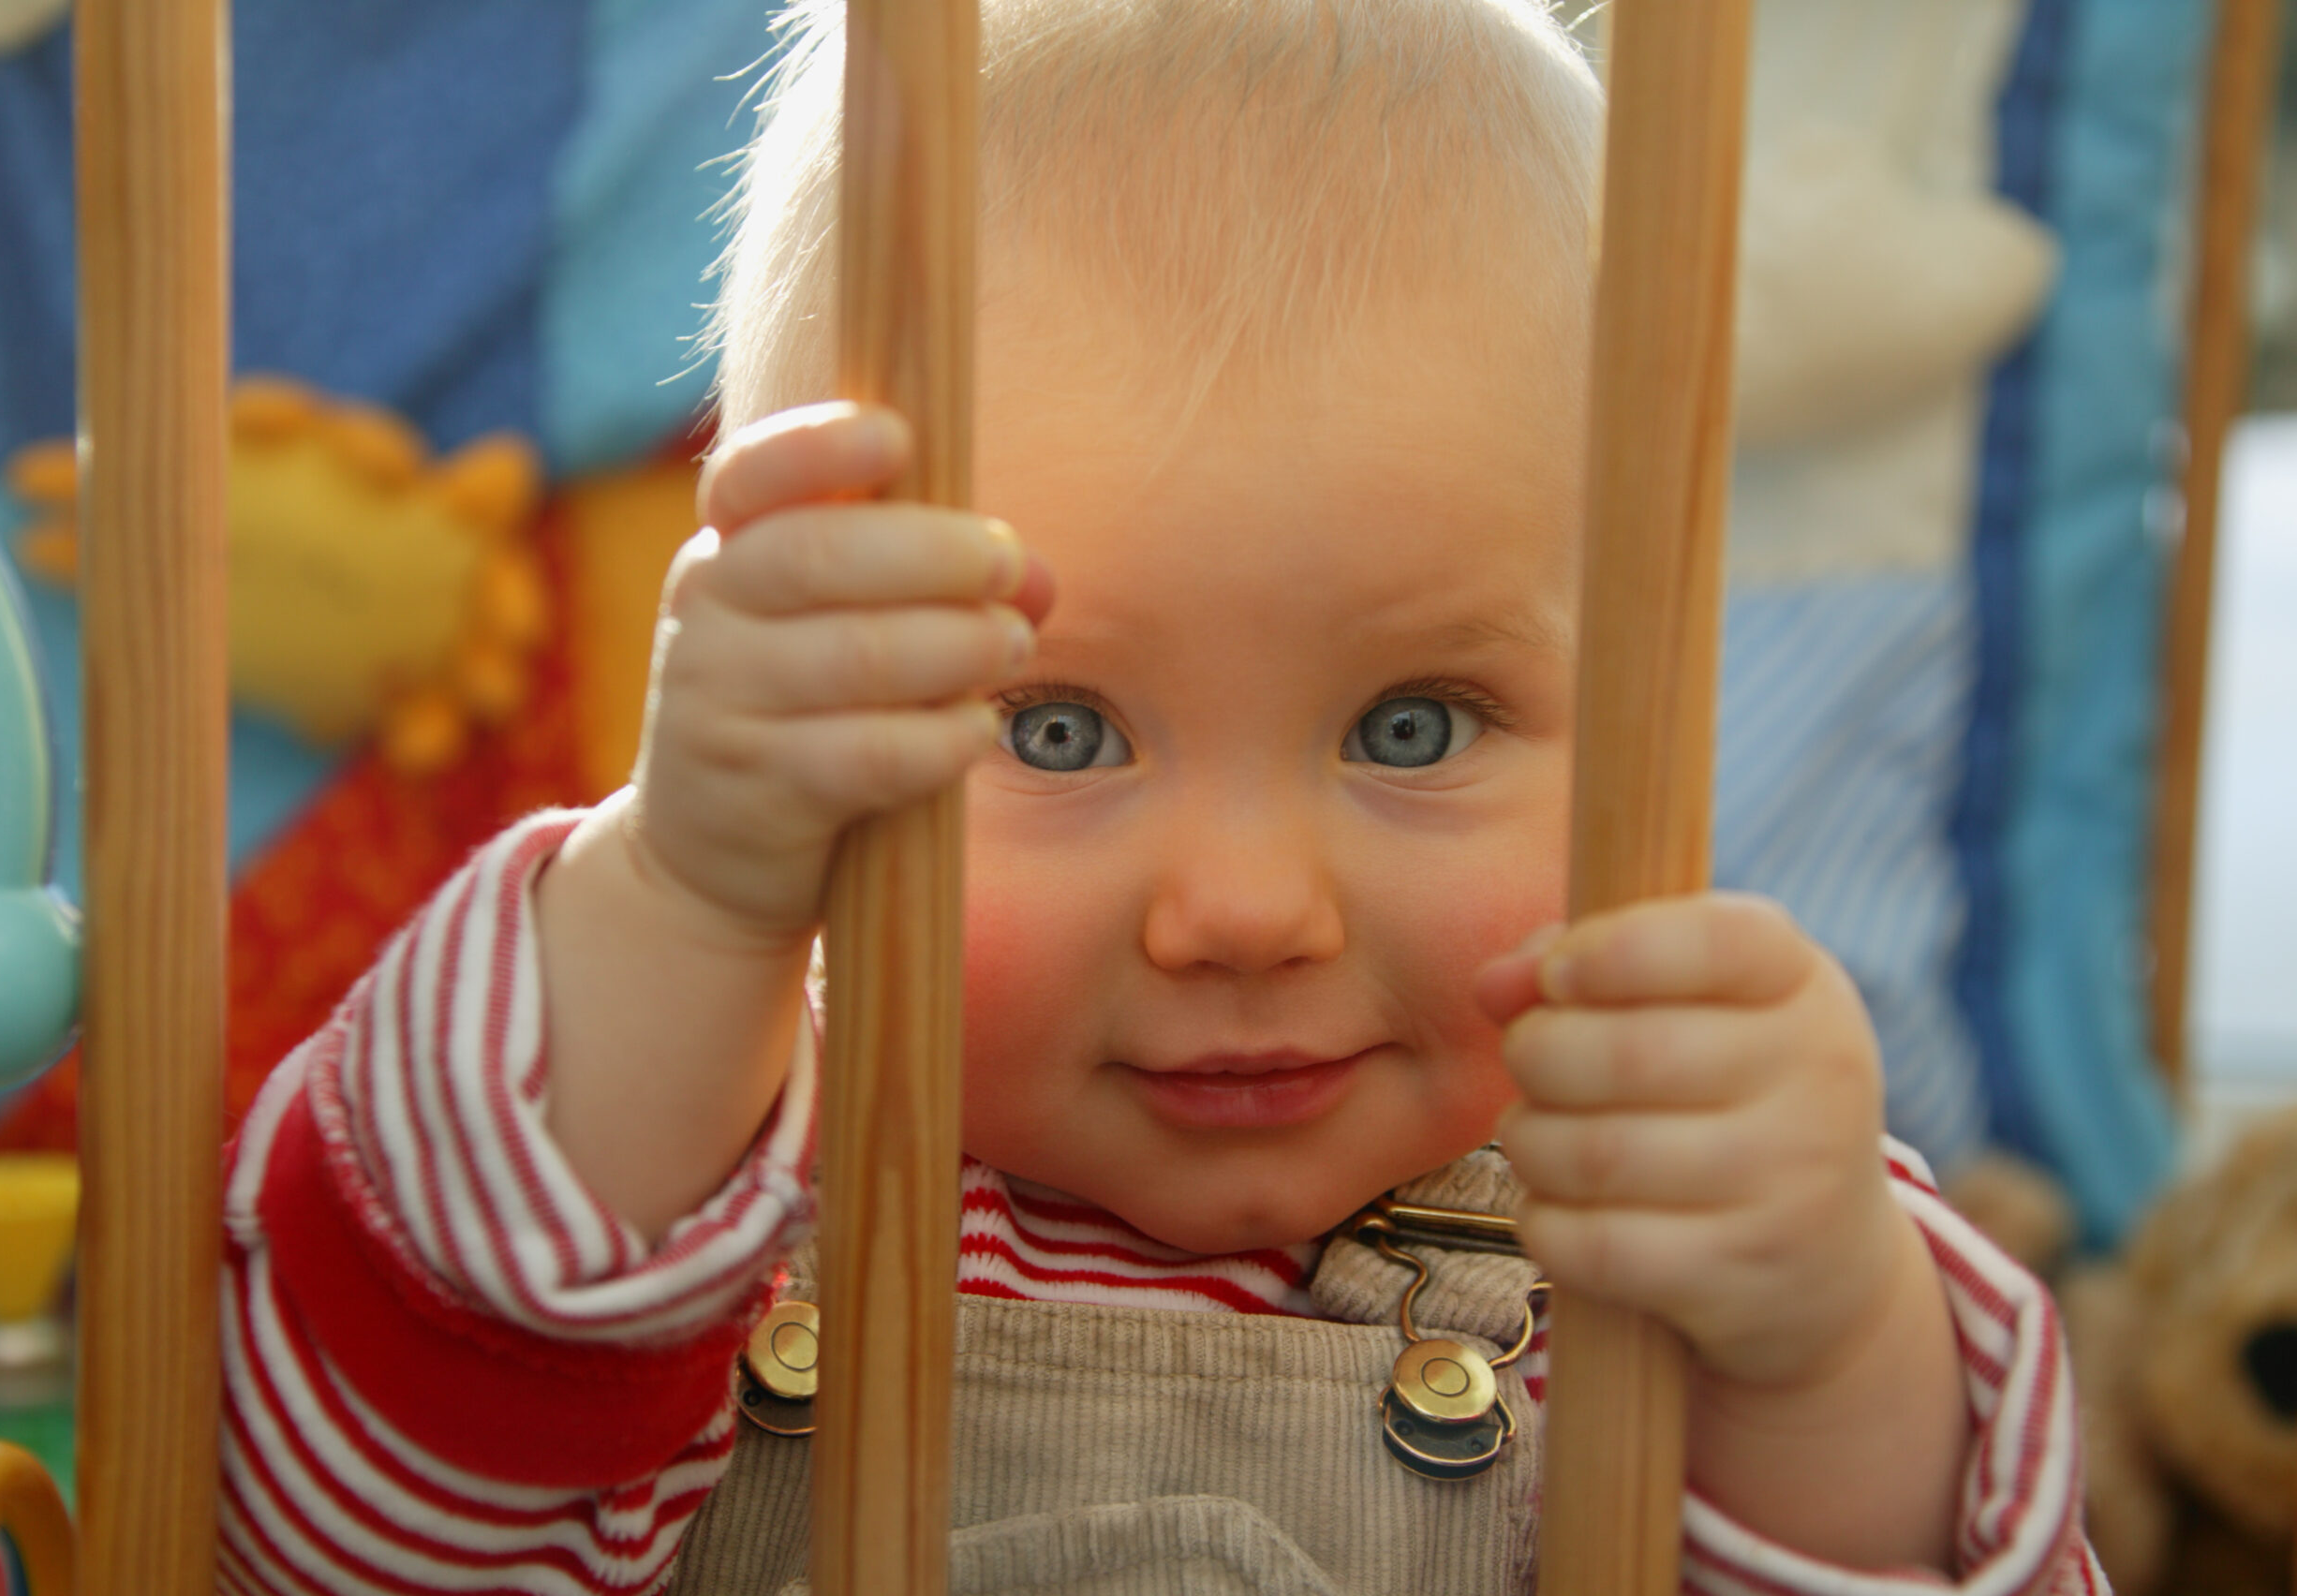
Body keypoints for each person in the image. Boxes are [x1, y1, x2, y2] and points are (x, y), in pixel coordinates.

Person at [215, 1, 2097, 1590]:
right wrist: (688, 899)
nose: (1247, 911)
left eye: (1414, 727)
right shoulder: (672, 1205)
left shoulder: (1671, 1234)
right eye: (1055, 732)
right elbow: (331, 1539)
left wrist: (1821, 1349)